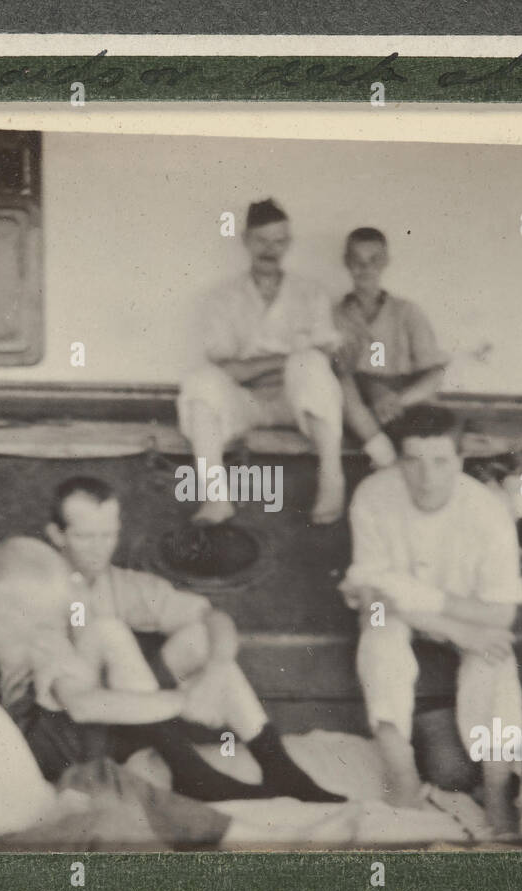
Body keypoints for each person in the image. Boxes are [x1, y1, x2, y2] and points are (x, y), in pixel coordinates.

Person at [0, 537, 352, 851]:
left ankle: (264, 846)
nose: (41, 639)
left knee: (104, 780)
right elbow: (20, 820)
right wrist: (82, 803)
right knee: (107, 821)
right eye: (36, 625)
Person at [38, 475, 344, 803]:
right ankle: (192, 773)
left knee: (200, 638)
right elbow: (80, 705)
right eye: (86, 537)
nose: (100, 549)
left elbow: (214, 619)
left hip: (125, 723)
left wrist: (215, 672)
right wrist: (186, 701)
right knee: (110, 632)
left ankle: (279, 768)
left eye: (108, 534)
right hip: (68, 735)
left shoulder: (120, 582)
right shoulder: (37, 589)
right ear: (57, 535)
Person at [339, 405, 522, 830]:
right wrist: (451, 624)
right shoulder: (373, 494)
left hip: (463, 616)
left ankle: (498, 790)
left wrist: (425, 601)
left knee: (495, 655)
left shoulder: (488, 513)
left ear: (460, 461)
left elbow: (502, 613)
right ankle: (401, 774)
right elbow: (371, 600)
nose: (427, 477)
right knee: (380, 637)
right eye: (414, 461)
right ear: (400, 460)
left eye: (441, 461)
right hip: (411, 617)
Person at [177, 198, 347, 525]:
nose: (271, 250)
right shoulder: (222, 299)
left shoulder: (311, 294)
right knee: (200, 381)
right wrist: (286, 358)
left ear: (289, 243)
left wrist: (278, 362)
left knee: (309, 364)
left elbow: (321, 361)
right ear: (246, 241)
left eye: (280, 241)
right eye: (261, 241)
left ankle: (331, 481)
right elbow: (226, 370)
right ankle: (216, 498)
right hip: (246, 401)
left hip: (296, 402)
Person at [332, 228, 451, 470]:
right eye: (357, 261)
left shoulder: (407, 312)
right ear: (346, 262)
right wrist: (375, 391)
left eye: (374, 260)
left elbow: (435, 373)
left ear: (386, 262)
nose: (365, 268)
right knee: (340, 380)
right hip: (359, 412)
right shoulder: (334, 315)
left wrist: (397, 400)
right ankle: (384, 456)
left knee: (438, 426)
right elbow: (339, 372)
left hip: (404, 405)